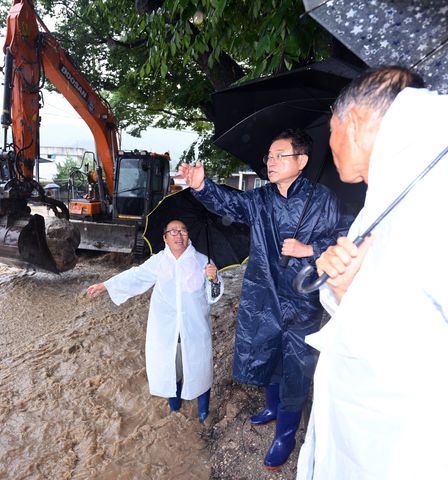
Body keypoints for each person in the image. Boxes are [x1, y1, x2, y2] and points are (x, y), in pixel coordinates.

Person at [296, 67, 448, 479]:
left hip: (400, 447)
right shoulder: (390, 191)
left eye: (331, 129)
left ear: (356, 122)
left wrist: (350, 292)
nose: (329, 144)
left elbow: (422, 343)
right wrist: (344, 288)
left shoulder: (431, 194)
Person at [179, 129, 353, 469]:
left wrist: (310, 249)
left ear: (301, 161)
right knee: (268, 351)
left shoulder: (324, 200)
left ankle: (286, 434)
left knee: (296, 365)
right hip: (264, 292)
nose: (270, 162)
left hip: (302, 298)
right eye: (269, 157)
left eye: (279, 155)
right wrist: (202, 186)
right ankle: (273, 409)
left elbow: (349, 237)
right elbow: (231, 203)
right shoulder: (261, 199)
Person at [86, 219, 223, 421]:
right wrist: (106, 285)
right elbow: (136, 276)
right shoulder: (159, 261)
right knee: (170, 371)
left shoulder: (203, 261)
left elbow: (213, 296)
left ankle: (203, 413)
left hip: (194, 330)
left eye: (183, 230)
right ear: (165, 238)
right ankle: (174, 412)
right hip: (166, 332)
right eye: (173, 231)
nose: (178, 235)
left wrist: (215, 279)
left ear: (188, 235)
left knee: (200, 371)